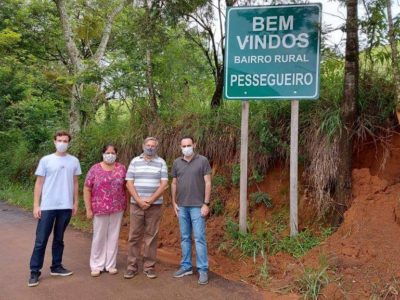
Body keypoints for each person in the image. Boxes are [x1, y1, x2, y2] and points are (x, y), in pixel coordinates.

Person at [28, 130, 82, 287]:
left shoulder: (74, 161)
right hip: (48, 206)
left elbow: (75, 182)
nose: (62, 143)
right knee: (41, 240)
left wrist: (75, 203)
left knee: (59, 239)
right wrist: (36, 205)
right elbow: (39, 183)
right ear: (54, 141)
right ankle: (34, 271)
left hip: (65, 206)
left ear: (69, 143)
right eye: (60, 140)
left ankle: (56, 266)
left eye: (65, 141)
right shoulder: (46, 160)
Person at [124, 137, 168, 280]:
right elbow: (129, 183)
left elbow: (164, 184)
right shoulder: (134, 161)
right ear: (143, 146)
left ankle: (149, 267)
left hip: (154, 206)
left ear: (157, 147)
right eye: (148, 145)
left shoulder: (161, 162)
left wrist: (150, 200)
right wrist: (139, 200)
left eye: (153, 146)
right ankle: (132, 267)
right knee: (134, 236)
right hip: (136, 205)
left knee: (151, 237)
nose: (150, 148)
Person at [171, 136, 212, 285]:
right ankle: (186, 266)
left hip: (197, 206)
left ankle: (202, 270)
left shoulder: (203, 161)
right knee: (185, 237)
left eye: (189, 145)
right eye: (184, 145)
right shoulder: (177, 163)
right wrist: (173, 202)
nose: (186, 147)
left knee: (199, 238)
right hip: (182, 206)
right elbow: (174, 183)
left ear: (194, 145)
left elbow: (208, 182)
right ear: (180, 146)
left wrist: (206, 203)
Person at [83, 144, 127, 277]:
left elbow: (126, 187)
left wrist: (126, 205)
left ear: (116, 154)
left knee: (114, 236)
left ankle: (110, 264)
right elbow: (87, 188)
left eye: (113, 153)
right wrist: (88, 209)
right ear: (102, 153)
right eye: (107, 152)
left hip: (117, 208)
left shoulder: (122, 168)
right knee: (99, 236)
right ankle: (96, 265)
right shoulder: (95, 169)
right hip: (99, 208)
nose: (110, 155)